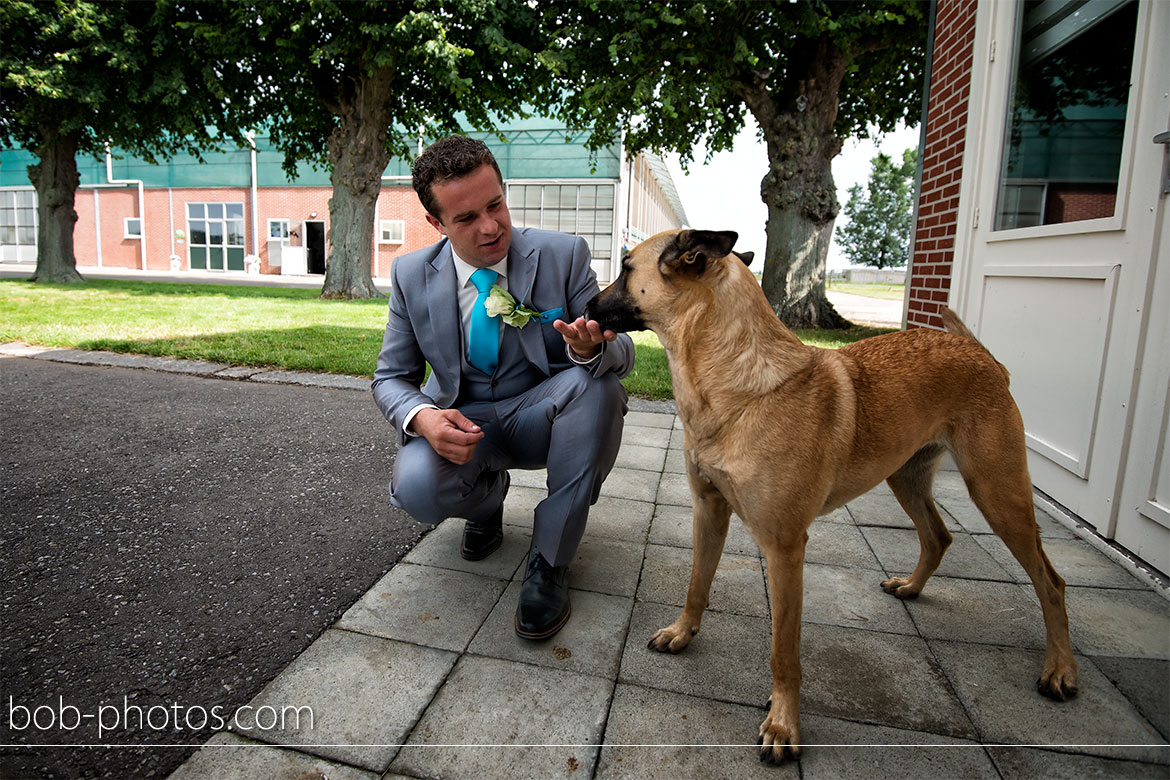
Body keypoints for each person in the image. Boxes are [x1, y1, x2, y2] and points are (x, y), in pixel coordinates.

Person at [372, 136, 634, 641]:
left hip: (543, 414)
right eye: (467, 218)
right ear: (436, 224)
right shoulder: (410, 274)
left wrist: (587, 349)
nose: (491, 227)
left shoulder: (563, 255)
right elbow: (391, 378)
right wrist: (424, 418)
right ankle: (487, 502)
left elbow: (621, 353)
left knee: (596, 387)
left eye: (495, 205)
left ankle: (550, 560)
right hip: (466, 422)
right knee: (417, 489)